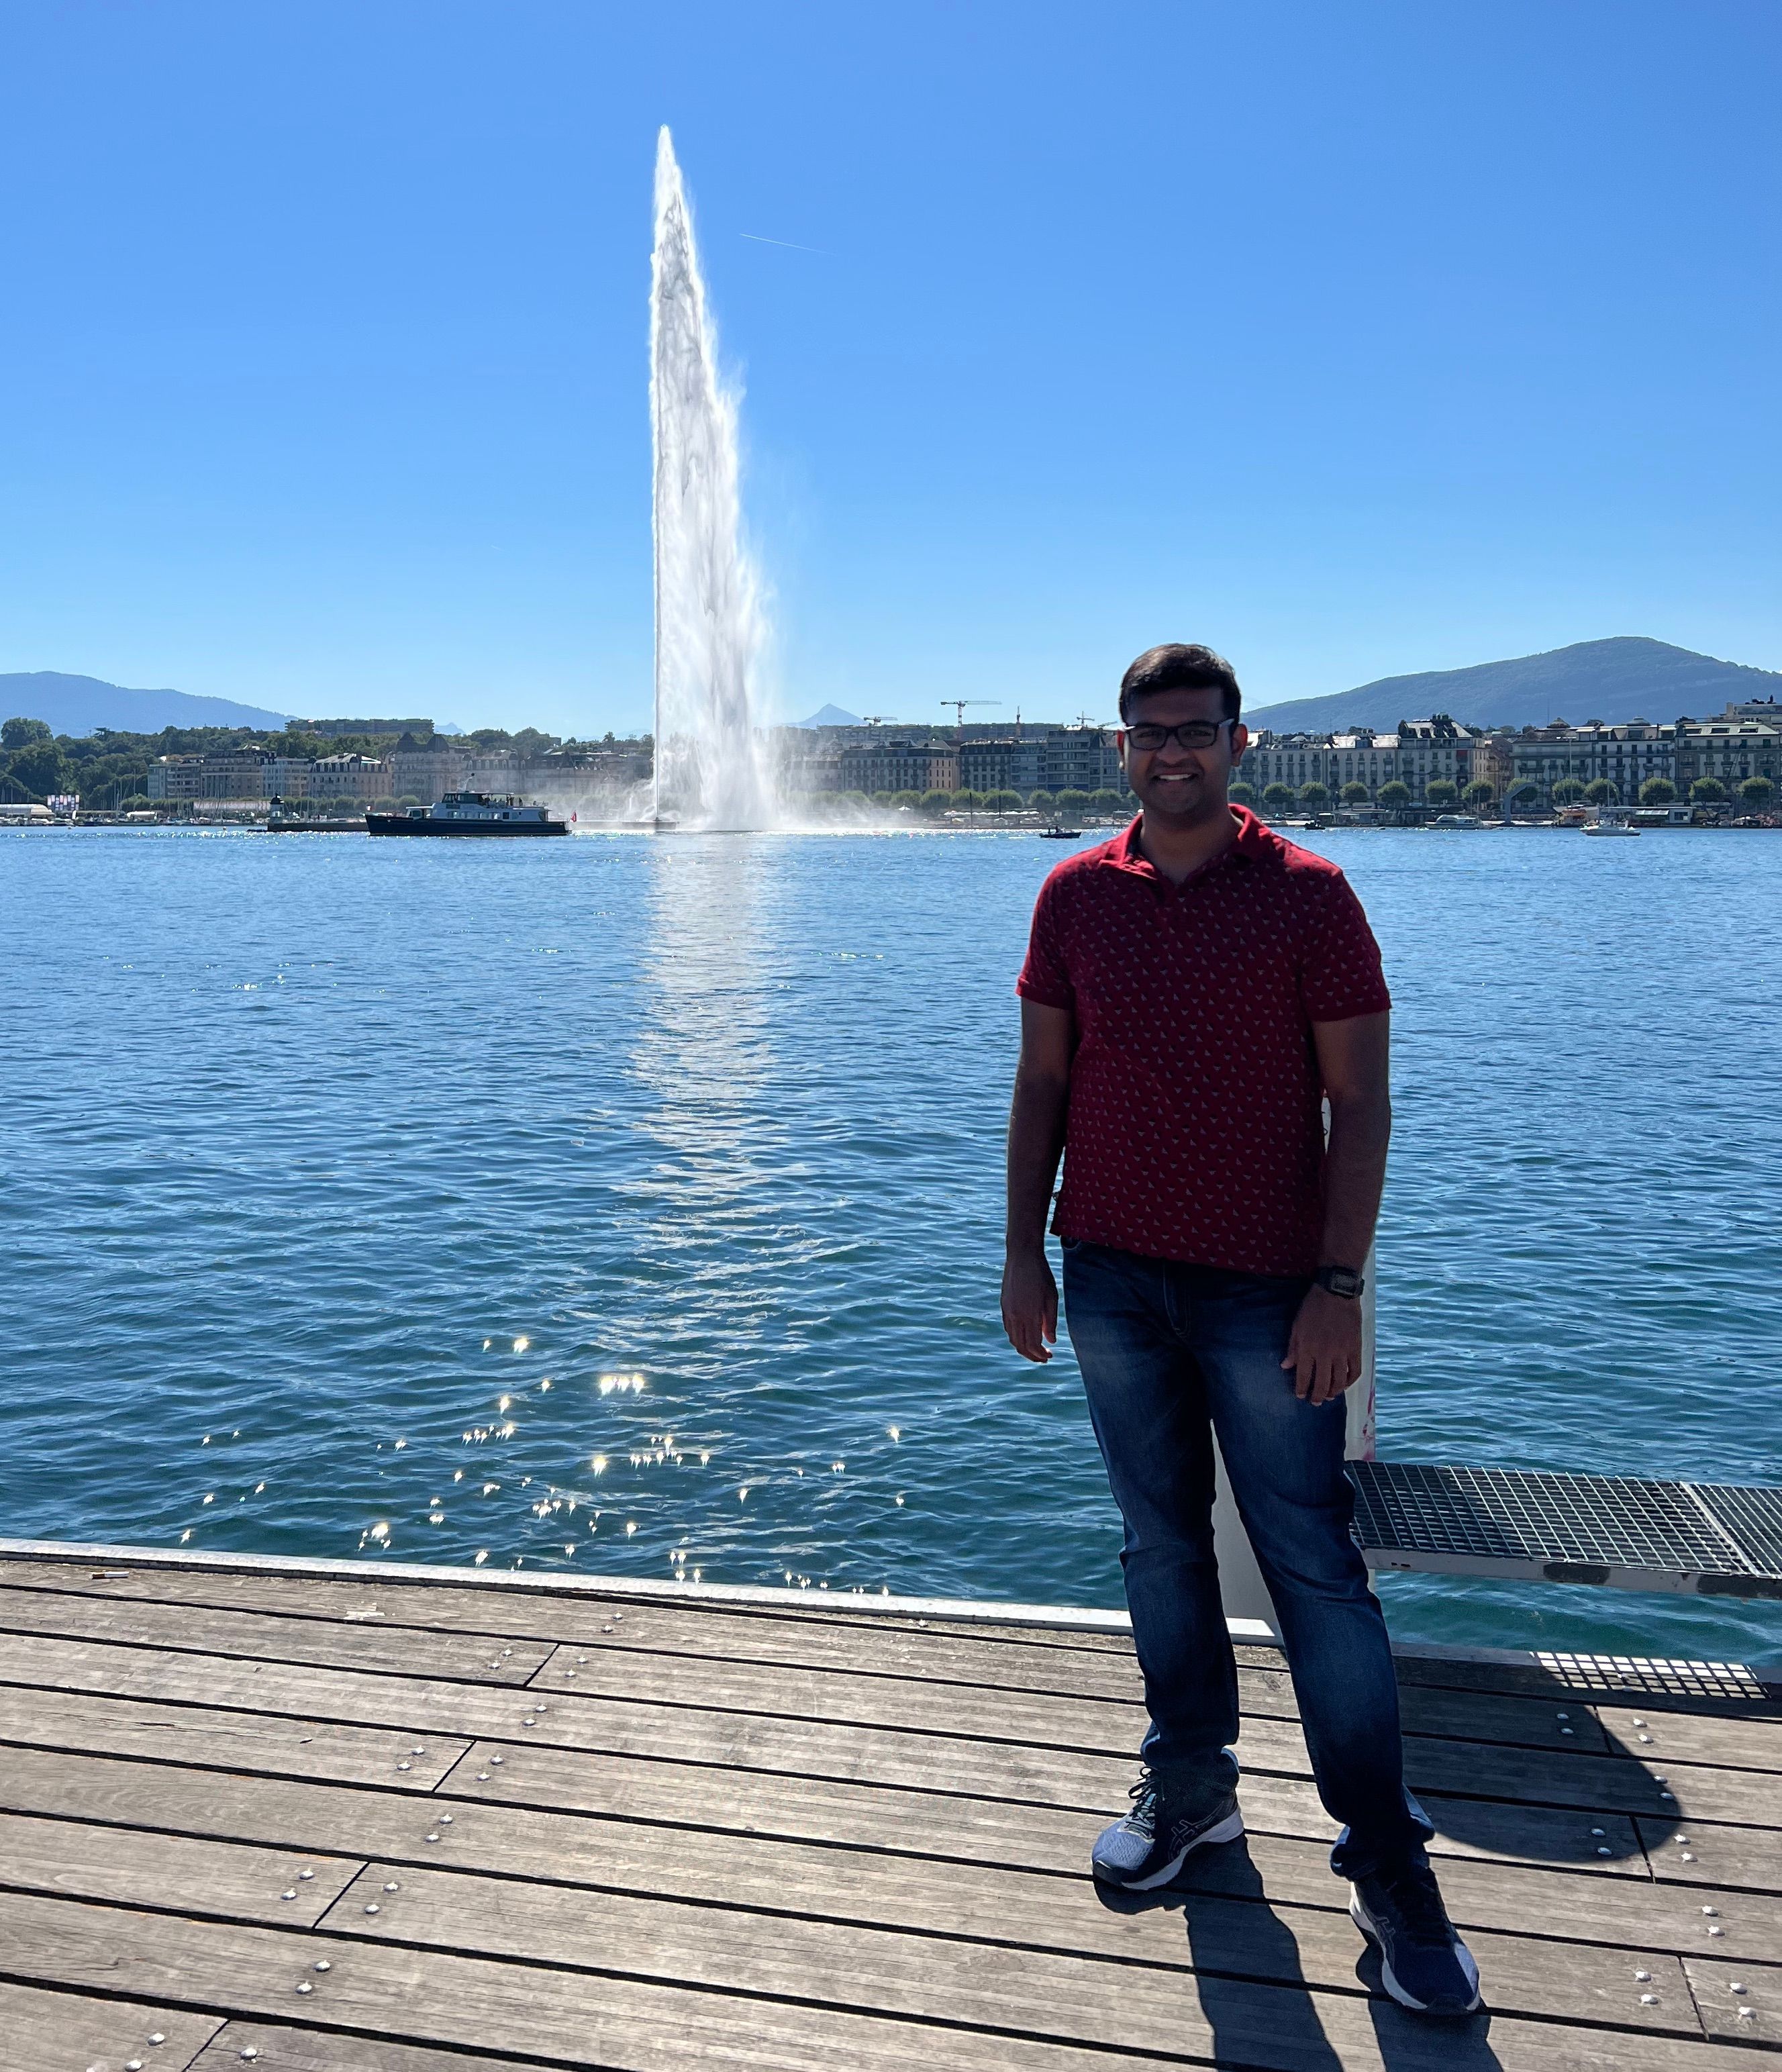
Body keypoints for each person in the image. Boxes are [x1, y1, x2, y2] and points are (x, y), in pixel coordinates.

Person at [1001, 642, 1481, 2018]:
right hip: (1107, 1279)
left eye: (1193, 731)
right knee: (1155, 1541)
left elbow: (1362, 1105)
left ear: (1236, 742)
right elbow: (1041, 1079)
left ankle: (1388, 1866)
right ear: (1120, 747)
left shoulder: (1311, 899)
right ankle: (1193, 1788)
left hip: (1269, 1293)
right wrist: (1020, 1248)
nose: (1170, 752)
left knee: (1313, 1568)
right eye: (1147, 733)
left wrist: (1336, 1285)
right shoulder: (1072, 896)